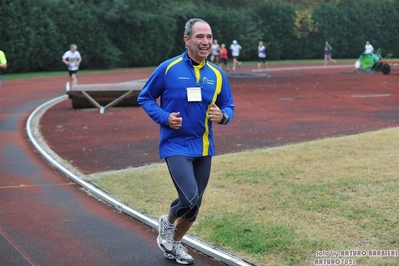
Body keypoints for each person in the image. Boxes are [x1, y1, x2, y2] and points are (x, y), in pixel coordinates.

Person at [138, 18, 234, 265]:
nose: (205, 42)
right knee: (189, 196)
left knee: (194, 207)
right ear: (187, 39)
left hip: (203, 146)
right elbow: (145, 97)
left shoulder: (217, 73)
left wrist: (222, 116)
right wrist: (164, 117)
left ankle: (174, 245)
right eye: (200, 36)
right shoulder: (168, 68)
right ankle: (167, 223)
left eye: (209, 37)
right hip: (175, 145)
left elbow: (228, 106)